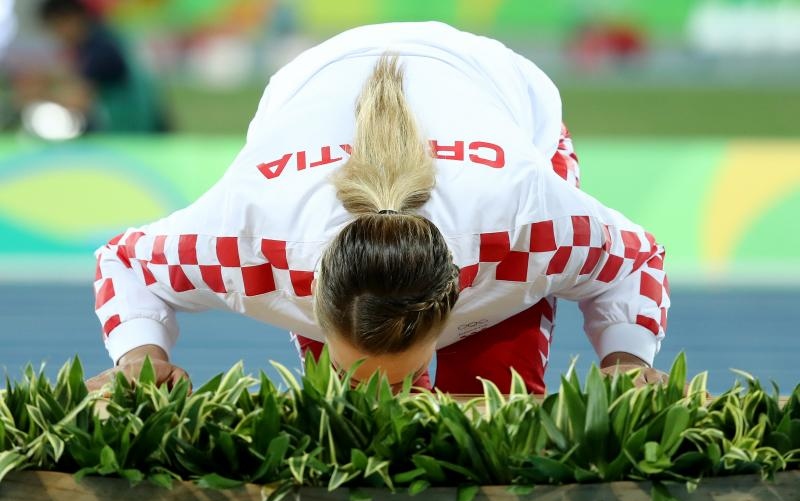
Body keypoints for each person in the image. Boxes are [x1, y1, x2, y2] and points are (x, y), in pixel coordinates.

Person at [86, 22, 670, 395]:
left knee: (498, 394)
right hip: (312, 90)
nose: (394, 397)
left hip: (499, 95)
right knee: (348, 414)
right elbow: (126, 263)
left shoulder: (524, 220)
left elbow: (635, 259)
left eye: (403, 377)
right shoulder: (252, 234)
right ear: (310, 296)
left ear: (459, 299)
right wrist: (141, 357)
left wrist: (625, 358)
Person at [30, 0, 168, 132]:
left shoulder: (101, 48)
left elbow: (78, 100)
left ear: (73, 18)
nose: (57, 35)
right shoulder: (94, 42)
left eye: (57, 26)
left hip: (135, 134)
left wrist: (37, 97)